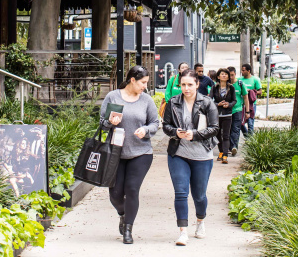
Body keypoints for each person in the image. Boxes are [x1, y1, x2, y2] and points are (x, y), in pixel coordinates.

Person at [100, 65, 160, 244]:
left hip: (141, 152)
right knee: (115, 194)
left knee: (132, 189)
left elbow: (155, 123)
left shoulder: (146, 100)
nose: (145, 86)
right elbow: (102, 123)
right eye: (143, 83)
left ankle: (128, 229)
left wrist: (145, 130)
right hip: (116, 152)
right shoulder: (113, 97)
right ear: (132, 80)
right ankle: (122, 213)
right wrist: (110, 122)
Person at [163, 68, 219, 246]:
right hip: (178, 153)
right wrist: (175, 132)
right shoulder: (173, 102)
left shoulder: (207, 103)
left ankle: (200, 221)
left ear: (197, 84)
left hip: (202, 155)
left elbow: (215, 128)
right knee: (181, 192)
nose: (186, 88)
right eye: (183, 85)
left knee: (199, 195)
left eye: (190, 85)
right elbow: (166, 126)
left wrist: (195, 135)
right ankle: (183, 232)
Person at [209, 68, 236, 163]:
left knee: (226, 135)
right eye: (222, 74)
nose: (224, 75)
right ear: (218, 76)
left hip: (227, 114)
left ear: (228, 77)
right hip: (216, 114)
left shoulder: (231, 88)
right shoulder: (214, 87)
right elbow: (210, 100)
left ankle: (225, 155)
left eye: (226, 74)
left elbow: (234, 100)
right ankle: (221, 151)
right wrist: (217, 104)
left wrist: (229, 104)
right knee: (217, 134)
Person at [228, 66, 249, 156]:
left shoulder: (240, 84)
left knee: (236, 128)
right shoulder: (224, 84)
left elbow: (245, 97)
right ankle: (230, 146)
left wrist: (247, 111)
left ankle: (234, 147)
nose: (231, 77)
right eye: (229, 75)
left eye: (232, 75)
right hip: (227, 110)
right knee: (228, 129)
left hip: (237, 109)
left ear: (235, 74)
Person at [238, 63, 263, 136]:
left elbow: (260, 92)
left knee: (250, 122)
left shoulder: (255, 80)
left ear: (248, 71)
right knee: (240, 122)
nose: (242, 72)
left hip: (252, 104)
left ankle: (250, 139)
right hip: (241, 103)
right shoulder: (239, 80)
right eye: (241, 70)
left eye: (243, 70)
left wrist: (251, 91)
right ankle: (247, 136)